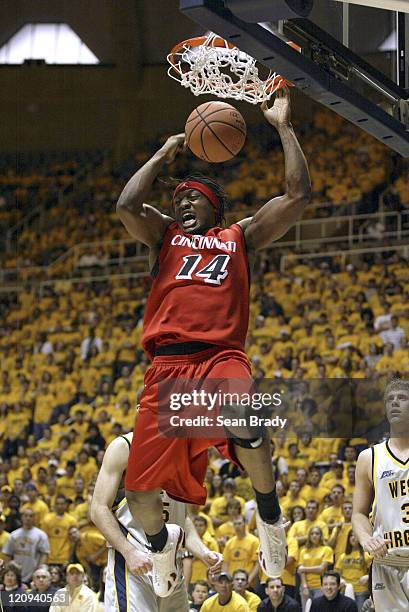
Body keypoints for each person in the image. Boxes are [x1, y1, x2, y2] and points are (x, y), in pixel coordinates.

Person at [117, 88, 311, 597]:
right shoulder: (165, 238)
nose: (181, 203)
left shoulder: (237, 238)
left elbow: (296, 197)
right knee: (138, 493)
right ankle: (162, 544)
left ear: (213, 208)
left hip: (220, 356)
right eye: (177, 198)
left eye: (191, 198)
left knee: (247, 416)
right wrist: (164, 154)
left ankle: (270, 516)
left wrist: (283, 127)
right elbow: (127, 203)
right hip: (167, 371)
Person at [90, 432, 223, 611]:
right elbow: (98, 509)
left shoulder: (183, 449)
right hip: (135, 564)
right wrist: (128, 552)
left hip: (171, 567)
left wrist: (203, 552)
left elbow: (182, 518)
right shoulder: (124, 447)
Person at [352, 378, 409, 611]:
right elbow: (358, 513)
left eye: (402, 398)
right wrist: (366, 539)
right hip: (386, 562)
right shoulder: (369, 457)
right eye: (390, 399)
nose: (394, 403)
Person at [2, 507, 50, 583]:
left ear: (35, 518)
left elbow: (44, 554)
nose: (28, 518)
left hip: (33, 574)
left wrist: (38, 571)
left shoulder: (41, 535)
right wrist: (9, 571)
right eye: (26, 516)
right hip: (15, 574)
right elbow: (8, 554)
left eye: (31, 516)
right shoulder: (14, 535)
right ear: (22, 517)